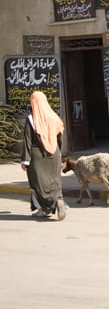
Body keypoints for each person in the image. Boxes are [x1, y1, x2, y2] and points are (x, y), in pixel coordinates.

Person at [20, 91, 66, 220]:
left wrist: (25, 161)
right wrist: (59, 154)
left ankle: (42, 210)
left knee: (37, 184)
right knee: (54, 181)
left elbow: (27, 141)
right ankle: (58, 201)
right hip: (54, 154)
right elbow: (60, 139)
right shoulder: (54, 117)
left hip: (37, 156)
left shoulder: (31, 119)